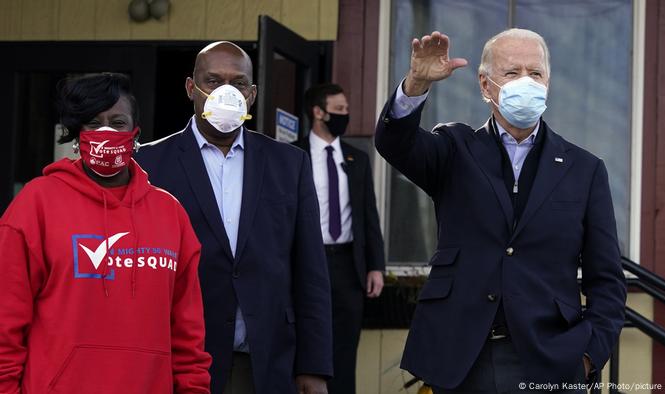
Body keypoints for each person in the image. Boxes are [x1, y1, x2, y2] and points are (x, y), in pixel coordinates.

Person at [375, 29, 627, 393]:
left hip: (550, 359)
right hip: (460, 358)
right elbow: (394, 144)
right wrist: (415, 84)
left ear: (548, 83)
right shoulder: (454, 149)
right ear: (485, 84)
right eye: (512, 73)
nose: (526, 82)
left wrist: (588, 354)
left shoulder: (584, 169)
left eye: (535, 73)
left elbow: (607, 279)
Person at [135, 41, 333, 394]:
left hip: (266, 360)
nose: (226, 92)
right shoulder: (149, 165)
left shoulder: (289, 164)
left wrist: (314, 366)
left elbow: (310, 270)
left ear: (252, 94)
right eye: (212, 81)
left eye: (238, 83)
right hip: (179, 361)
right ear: (190, 88)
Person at [0, 73, 211, 393]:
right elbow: (6, 324)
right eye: (93, 124)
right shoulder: (36, 204)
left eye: (118, 122)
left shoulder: (171, 215)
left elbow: (188, 336)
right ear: (77, 134)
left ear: (135, 132)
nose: (106, 132)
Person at [295, 83, 386, 394]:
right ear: (318, 113)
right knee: (305, 342)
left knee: (345, 349)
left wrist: (376, 266)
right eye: (340, 110)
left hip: (348, 264)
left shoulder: (356, 159)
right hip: (307, 263)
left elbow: (368, 216)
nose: (345, 116)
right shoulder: (293, 155)